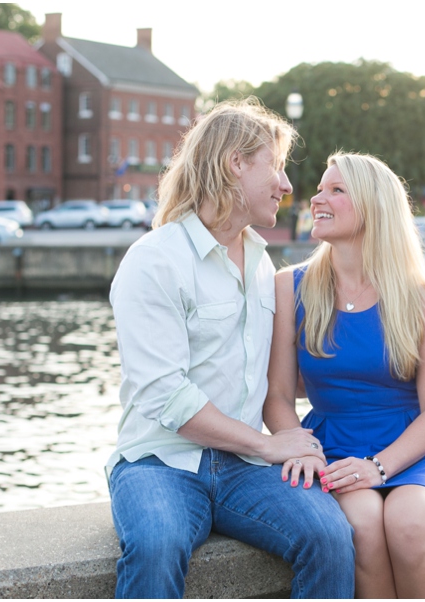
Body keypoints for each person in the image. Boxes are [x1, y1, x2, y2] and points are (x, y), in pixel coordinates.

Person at [106, 99, 355, 599]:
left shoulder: (264, 266)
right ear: (235, 163)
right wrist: (267, 445)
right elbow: (166, 396)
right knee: (156, 545)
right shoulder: (154, 260)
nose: (287, 186)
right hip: (160, 460)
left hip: (244, 468)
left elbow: (271, 379)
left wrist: (308, 438)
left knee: (331, 537)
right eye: (277, 167)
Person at [264, 152, 425, 598]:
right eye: (321, 188)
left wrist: (380, 467)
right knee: (361, 525)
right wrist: (303, 450)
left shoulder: (421, 296)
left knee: (409, 523)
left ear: (373, 207)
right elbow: (278, 397)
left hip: (417, 448)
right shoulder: (290, 287)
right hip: (332, 447)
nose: (317, 198)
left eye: (336, 190)